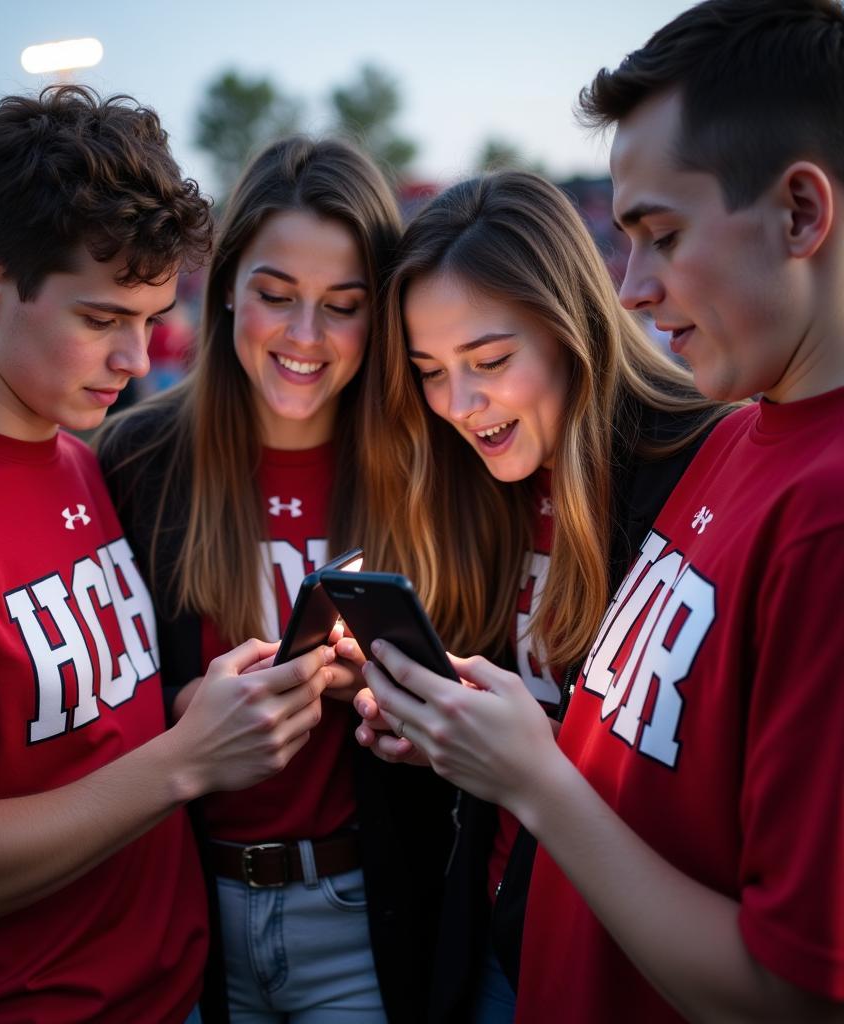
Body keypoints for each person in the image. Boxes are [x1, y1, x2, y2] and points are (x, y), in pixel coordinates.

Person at [358, 1, 844, 1020]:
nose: (632, 286)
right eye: (433, 372)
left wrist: (529, 774)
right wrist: (458, 728)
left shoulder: (785, 495)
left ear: (801, 213)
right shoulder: (743, 438)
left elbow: (792, 991)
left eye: (660, 235)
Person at [0, 86, 334, 1024]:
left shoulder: (77, 456)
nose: (137, 359)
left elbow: (82, 736)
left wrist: (206, 705)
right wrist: (189, 756)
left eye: (150, 320)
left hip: (176, 988)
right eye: (102, 320)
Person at [348, 169, 727, 1022]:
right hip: (502, 931)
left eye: (488, 361)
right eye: (430, 371)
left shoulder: (700, 466)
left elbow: (695, 793)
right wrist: (444, 734)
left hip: (633, 963)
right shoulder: (482, 483)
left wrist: (524, 755)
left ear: (571, 328)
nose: (459, 403)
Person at [97, 135, 454, 1024]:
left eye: (343, 304)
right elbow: (89, 713)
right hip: (186, 912)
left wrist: (398, 695)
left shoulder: (425, 464)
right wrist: (188, 716)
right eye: (275, 295)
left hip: (363, 913)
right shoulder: (136, 462)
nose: (305, 337)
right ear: (223, 287)